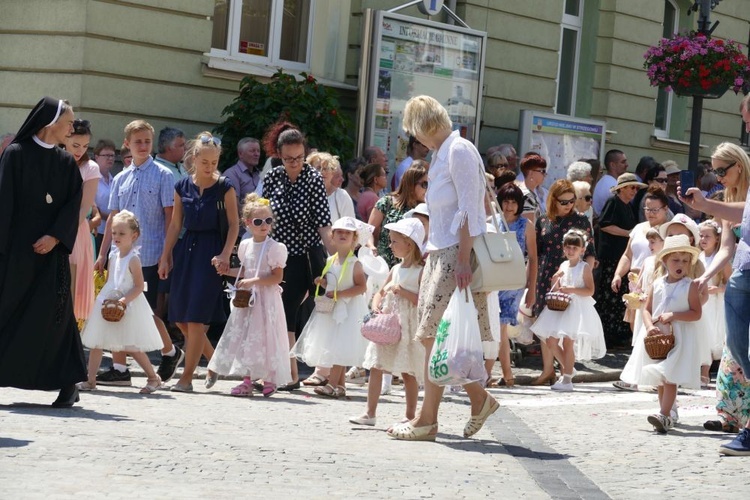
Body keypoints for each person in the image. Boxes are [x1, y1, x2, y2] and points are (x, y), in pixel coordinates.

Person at [386, 95, 498, 442]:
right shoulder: (443, 153)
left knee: (434, 335)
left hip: (454, 254)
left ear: (422, 126)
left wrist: (463, 259)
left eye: (414, 130)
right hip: (442, 253)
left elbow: (468, 209)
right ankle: (444, 413)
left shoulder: (459, 149)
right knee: (437, 337)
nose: (415, 139)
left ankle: (433, 417)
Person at [0, 96, 85, 407]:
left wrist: (54, 236)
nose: (72, 128)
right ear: (51, 124)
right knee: (6, 312)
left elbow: (72, 204)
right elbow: (3, 202)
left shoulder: (65, 162)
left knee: (56, 320)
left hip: (51, 256)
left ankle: (68, 384)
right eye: (69, 123)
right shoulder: (15, 154)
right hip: (16, 254)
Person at [94, 120, 184, 386]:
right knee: (116, 308)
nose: (143, 146)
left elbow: (171, 217)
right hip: (118, 256)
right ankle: (120, 368)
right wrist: (102, 253)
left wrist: (166, 253)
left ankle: (170, 351)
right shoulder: (120, 177)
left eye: (147, 141)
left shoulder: (163, 175)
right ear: (127, 145)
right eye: (138, 142)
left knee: (144, 312)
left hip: (149, 253)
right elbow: (112, 217)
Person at [681, 140, 750, 447]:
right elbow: (726, 248)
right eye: (715, 171)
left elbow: (746, 212)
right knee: (736, 348)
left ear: (739, 165)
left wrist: (706, 205)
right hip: (741, 275)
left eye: (723, 170)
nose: (719, 176)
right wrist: (704, 276)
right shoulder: (729, 198)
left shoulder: (738, 200)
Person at [158, 132, 238, 392]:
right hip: (187, 251)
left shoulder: (225, 187)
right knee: (180, 319)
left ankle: (186, 379)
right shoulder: (181, 186)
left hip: (212, 253)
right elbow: (175, 224)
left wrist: (226, 254)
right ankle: (213, 363)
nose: (210, 167)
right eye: (205, 162)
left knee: (195, 320)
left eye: (214, 162)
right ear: (194, 158)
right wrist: (165, 255)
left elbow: (235, 225)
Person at [262, 125, 332, 390]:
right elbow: (264, 215)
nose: (295, 163)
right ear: (279, 155)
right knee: (279, 313)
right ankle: (285, 372)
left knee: (288, 309)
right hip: (278, 254)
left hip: (305, 254)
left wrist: (336, 257)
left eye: (299, 157)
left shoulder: (313, 179)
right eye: (289, 158)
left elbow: (324, 225)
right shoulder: (272, 178)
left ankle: (293, 373)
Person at [206, 193, 290, 397]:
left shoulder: (275, 248)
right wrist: (227, 271)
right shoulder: (245, 246)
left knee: (266, 337)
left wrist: (253, 281)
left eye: (268, 221)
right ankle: (247, 380)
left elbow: (277, 277)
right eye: (259, 221)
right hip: (249, 300)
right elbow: (245, 270)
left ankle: (270, 377)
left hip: (266, 300)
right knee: (246, 337)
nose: (264, 225)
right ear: (247, 223)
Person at [78, 211, 164, 393]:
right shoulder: (112, 255)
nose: (116, 237)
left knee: (131, 345)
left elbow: (139, 286)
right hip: (109, 300)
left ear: (134, 236)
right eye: (114, 233)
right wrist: (106, 299)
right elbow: (112, 281)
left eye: (121, 233)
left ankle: (153, 377)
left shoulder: (133, 259)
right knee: (96, 341)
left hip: (129, 303)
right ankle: (90, 380)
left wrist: (124, 301)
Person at [352, 218, 426, 426]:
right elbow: (380, 292)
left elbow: (423, 301)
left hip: (407, 325)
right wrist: (376, 304)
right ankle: (370, 413)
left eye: (394, 242)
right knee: (376, 365)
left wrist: (403, 292)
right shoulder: (395, 269)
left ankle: (410, 414)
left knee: (407, 370)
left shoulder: (421, 271)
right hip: (388, 323)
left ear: (409, 244)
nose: (390, 245)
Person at [290, 216, 370, 398]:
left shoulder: (354, 263)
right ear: (332, 236)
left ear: (354, 239)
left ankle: (331, 383)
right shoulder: (330, 260)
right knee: (335, 345)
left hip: (348, 310)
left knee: (340, 346)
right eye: (339, 232)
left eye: (347, 233)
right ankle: (340, 386)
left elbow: (361, 287)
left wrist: (339, 294)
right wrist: (323, 283)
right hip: (332, 309)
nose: (343, 235)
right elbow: (334, 284)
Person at [633, 235, 703, 433]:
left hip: (679, 337)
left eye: (685, 260)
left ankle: (664, 414)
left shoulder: (690, 285)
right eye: (675, 260)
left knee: (669, 376)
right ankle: (667, 412)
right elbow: (646, 310)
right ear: (665, 261)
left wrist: (675, 315)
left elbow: (696, 313)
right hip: (659, 338)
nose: (680, 264)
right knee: (660, 377)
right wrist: (648, 327)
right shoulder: (657, 284)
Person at [532, 179, 596, 385]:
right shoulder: (543, 220)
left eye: (572, 201)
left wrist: (583, 274)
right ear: (553, 200)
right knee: (546, 326)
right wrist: (530, 284)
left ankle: (565, 371)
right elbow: (536, 254)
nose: (569, 205)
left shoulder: (581, 220)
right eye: (564, 201)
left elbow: (591, 252)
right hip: (547, 275)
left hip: (571, 274)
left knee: (566, 329)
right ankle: (548, 369)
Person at [532, 229, 606, 391]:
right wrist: (556, 279)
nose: (571, 251)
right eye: (568, 248)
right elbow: (557, 288)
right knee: (550, 340)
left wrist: (571, 289)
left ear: (582, 250)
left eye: (575, 248)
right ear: (563, 248)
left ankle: (567, 379)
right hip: (561, 306)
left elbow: (589, 290)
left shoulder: (584, 267)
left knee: (568, 342)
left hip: (576, 308)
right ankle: (568, 367)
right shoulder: (563, 265)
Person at [494, 183, 537, 387]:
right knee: (494, 328)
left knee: (500, 327)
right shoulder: (493, 222)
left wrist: (532, 289)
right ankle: (503, 374)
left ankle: (505, 374)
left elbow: (534, 258)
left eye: (514, 202)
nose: (510, 206)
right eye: (506, 201)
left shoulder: (526, 225)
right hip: (493, 279)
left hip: (514, 281)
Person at [595, 173, 645, 349]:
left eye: (636, 188)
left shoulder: (628, 206)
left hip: (621, 259)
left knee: (619, 299)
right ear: (622, 188)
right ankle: (607, 336)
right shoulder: (613, 202)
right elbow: (604, 224)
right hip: (610, 258)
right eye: (632, 187)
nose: (634, 191)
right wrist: (627, 233)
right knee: (609, 298)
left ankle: (618, 335)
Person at [611, 187, 671, 331]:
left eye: (655, 210)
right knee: (635, 323)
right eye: (647, 209)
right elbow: (627, 255)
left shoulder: (670, 229)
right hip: (635, 282)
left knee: (654, 322)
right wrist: (618, 274)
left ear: (665, 209)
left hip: (657, 280)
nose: (650, 213)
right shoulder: (638, 228)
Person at [617, 228, 664, 392]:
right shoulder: (648, 260)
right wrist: (636, 291)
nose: (650, 245)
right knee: (640, 341)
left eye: (653, 242)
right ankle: (635, 377)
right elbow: (640, 284)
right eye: (649, 242)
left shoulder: (665, 261)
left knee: (651, 342)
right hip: (644, 305)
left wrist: (648, 296)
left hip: (655, 306)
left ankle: (649, 378)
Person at [65, 119, 101, 325]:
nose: (81, 151)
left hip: (75, 232)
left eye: (86, 146)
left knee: (71, 291)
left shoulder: (90, 167)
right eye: (76, 145)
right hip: (51, 229)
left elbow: (85, 208)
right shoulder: (54, 161)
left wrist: (62, 234)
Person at [368, 161, 428, 268]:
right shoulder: (386, 202)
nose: (427, 189)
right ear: (411, 184)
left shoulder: (424, 210)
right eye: (424, 184)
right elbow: (369, 231)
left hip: (410, 269)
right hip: (381, 266)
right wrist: (371, 246)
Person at [697, 219, 730, 387]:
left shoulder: (720, 259)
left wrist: (717, 289)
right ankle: (701, 371)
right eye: (701, 236)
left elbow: (730, 283)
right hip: (701, 303)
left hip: (715, 303)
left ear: (717, 238)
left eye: (707, 236)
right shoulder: (697, 257)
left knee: (713, 336)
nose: (703, 239)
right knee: (702, 336)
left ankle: (709, 373)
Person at [308, 151, 355, 221]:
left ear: (332, 173)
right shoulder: (303, 194)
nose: (322, 172)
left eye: (326, 168)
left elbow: (350, 226)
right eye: (318, 168)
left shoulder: (342, 196)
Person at [223, 137, 262, 211]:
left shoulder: (260, 175)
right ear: (240, 154)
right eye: (252, 151)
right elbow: (234, 206)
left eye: (258, 151)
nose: (257, 154)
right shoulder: (232, 174)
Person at [93, 139, 117, 252]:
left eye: (112, 155)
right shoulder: (92, 179)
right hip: (97, 232)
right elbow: (90, 206)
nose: (110, 158)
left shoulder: (115, 180)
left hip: (113, 233)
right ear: (96, 156)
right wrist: (112, 218)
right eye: (106, 155)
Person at [592, 149, 629, 216]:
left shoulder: (603, 181)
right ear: (612, 165)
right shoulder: (613, 186)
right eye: (623, 162)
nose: (627, 165)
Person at [519, 153, 547, 224]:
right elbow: (529, 226)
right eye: (542, 171)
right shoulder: (527, 196)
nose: (545, 174)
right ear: (531, 173)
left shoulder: (530, 193)